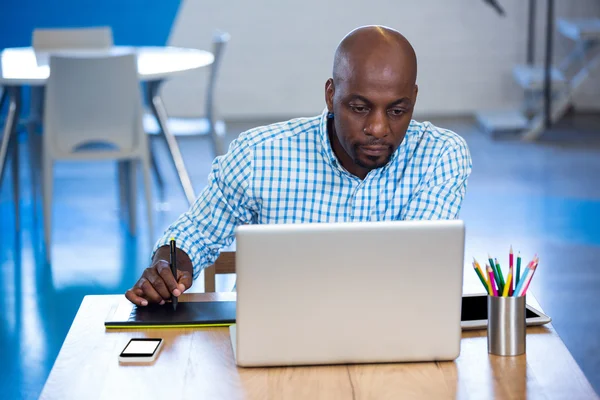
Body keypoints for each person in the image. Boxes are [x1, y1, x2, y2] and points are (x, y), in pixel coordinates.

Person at [125, 25, 472, 306]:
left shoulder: (440, 156)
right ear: (330, 95)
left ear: (413, 99)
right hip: (272, 351)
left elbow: (413, 271)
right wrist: (167, 267)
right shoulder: (258, 155)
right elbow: (195, 233)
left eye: (397, 111)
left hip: (392, 342)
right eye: (360, 107)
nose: (378, 129)